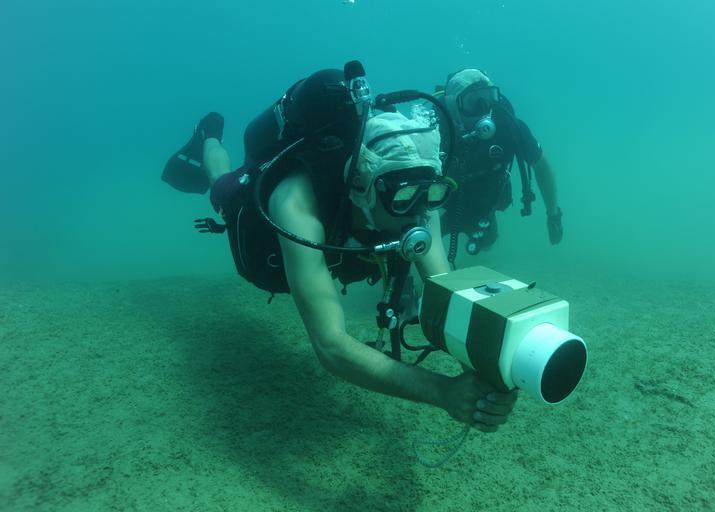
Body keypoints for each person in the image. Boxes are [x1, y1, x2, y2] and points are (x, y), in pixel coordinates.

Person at [161, 67, 517, 432]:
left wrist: (482, 373)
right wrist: (444, 392)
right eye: (402, 197)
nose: (417, 213)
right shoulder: (295, 203)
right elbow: (330, 345)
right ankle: (209, 135)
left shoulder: (419, 199)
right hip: (262, 241)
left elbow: (448, 295)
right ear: (362, 185)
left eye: (432, 193)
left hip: (348, 233)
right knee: (221, 189)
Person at [436, 69, 564, 260]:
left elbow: (541, 164)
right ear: (454, 105)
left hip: (482, 204)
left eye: (487, 97)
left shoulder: (508, 127)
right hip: (443, 203)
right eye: (472, 101)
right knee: (420, 242)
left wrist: (553, 214)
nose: (482, 107)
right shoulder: (435, 132)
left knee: (487, 241)